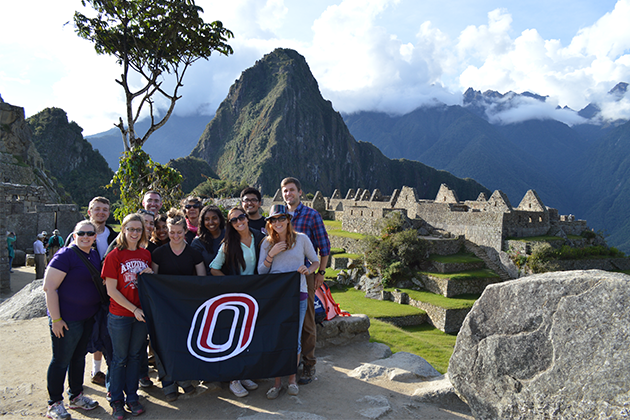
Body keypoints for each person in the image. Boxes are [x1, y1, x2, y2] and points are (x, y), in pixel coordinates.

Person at [257, 204, 319, 399]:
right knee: (276, 338)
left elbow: (315, 261)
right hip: (276, 297)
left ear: (288, 220)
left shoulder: (301, 240)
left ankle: (291, 380)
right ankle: (277, 383)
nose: (278, 223)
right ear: (269, 223)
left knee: (294, 339)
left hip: (298, 294)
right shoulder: (266, 244)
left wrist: (308, 271)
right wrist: (271, 254)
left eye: (281, 218)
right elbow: (261, 271)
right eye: (273, 220)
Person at [43, 220, 101, 420]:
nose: (85, 237)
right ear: (74, 235)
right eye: (81, 233)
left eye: (90, 233)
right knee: (60, 360)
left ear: (95, 237)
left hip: (86, 318)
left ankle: (76, 396)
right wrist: (56, 319)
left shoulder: (93, 255)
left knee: (78, 358)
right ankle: (54, 403)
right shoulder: (65, 255)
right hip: (67, 320)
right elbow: (49, 287)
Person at [209, 206, 264, 398]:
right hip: (238, 296)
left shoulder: (260, 237)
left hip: (256, 293)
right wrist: (231, 284)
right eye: (234, 220)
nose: (239, 221)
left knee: (250, 336)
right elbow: (214, 268)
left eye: (241, 217)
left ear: (247, 218)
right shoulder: (228, 244)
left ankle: (245, 373)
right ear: (230, 224)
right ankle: (234, 379)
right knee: (236, 336)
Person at [151, 208, 205, 402]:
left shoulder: (194, 253)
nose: (175, 236)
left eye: (179, 232)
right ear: (166, 230)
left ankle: (182, 378)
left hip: (186, 306)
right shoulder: (158, 253)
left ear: (185, 232)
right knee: (164, 343)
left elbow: (202, 280)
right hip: (163, 306)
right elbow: (154, 281)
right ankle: (168, 383)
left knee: (183, 342)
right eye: (172, 232)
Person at [102, 213, 153, 419]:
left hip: (140, 315)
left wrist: (149, 276)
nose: (134, 233)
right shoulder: (114, 256)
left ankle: (132, 396)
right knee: (119, 358)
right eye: (130, 229)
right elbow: (111, 290)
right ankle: (116, 400)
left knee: (134, 357)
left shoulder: (145, 254)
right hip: (121, 315)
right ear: (123, 230)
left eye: (138, 229)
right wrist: (133, 310)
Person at [281, 177, 330, 385]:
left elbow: (324, 247)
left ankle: (309, 364)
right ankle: (287, 362)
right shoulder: (278, 216)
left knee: (308, 321)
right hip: (282, 277)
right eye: (285, 191)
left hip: (305, 275)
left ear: (300, 192)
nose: (288, 194)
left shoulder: (311, 215)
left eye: (292, 190)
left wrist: (320, 273)